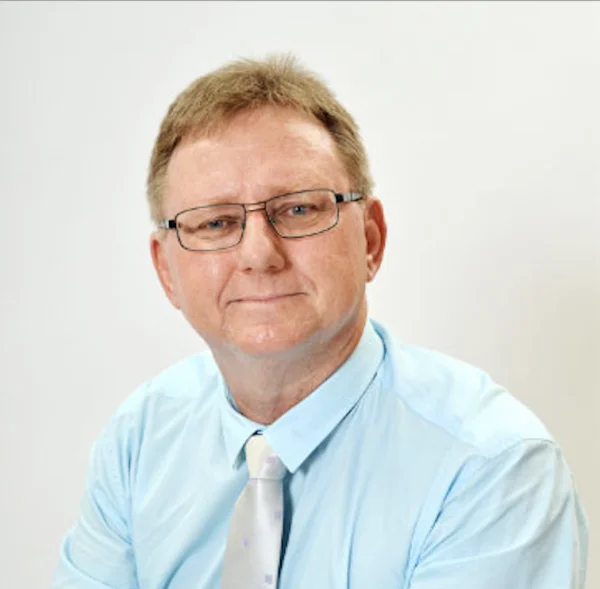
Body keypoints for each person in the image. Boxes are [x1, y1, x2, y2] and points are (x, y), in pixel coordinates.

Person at [53, 55, 588, 589]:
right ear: (166, 271)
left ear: (371, 239)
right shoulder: (139, 443)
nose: (259, 255)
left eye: (299, 210)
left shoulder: (491, 467)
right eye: (215, 222)